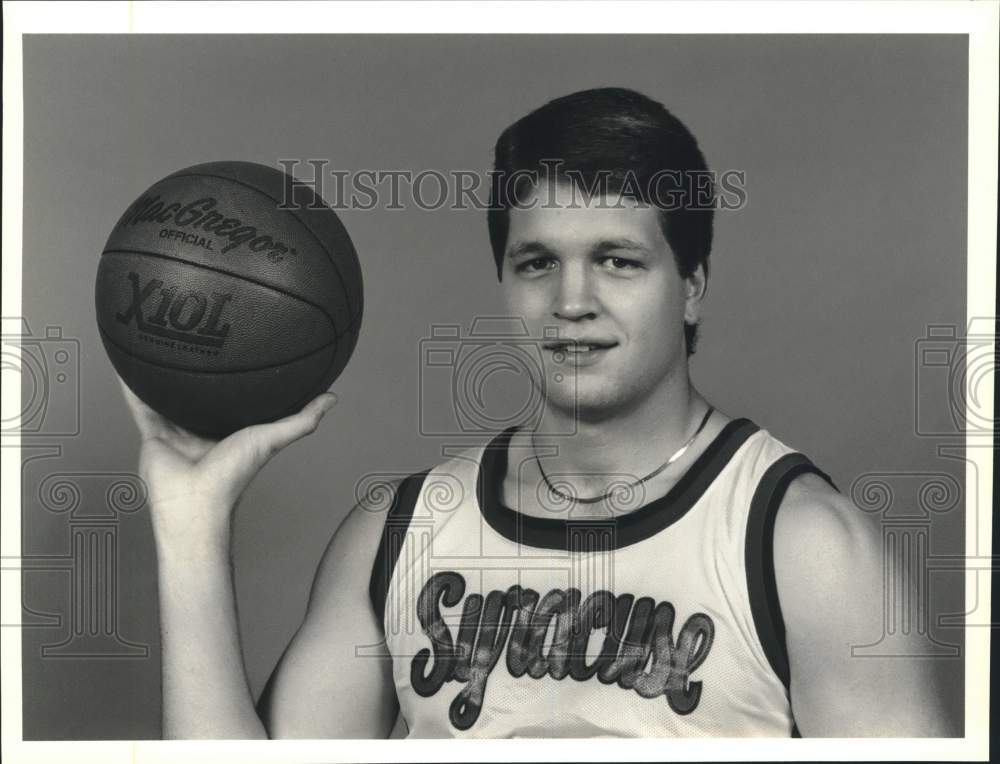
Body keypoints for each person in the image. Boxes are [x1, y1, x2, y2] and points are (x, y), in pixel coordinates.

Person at [119, 87, 956, 738]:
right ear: (504, 283)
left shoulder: (801, 546)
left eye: (618, 260)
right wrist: (190, 525)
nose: (572, 300)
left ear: (692, 286)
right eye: (537, 262)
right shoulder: (398, 532)